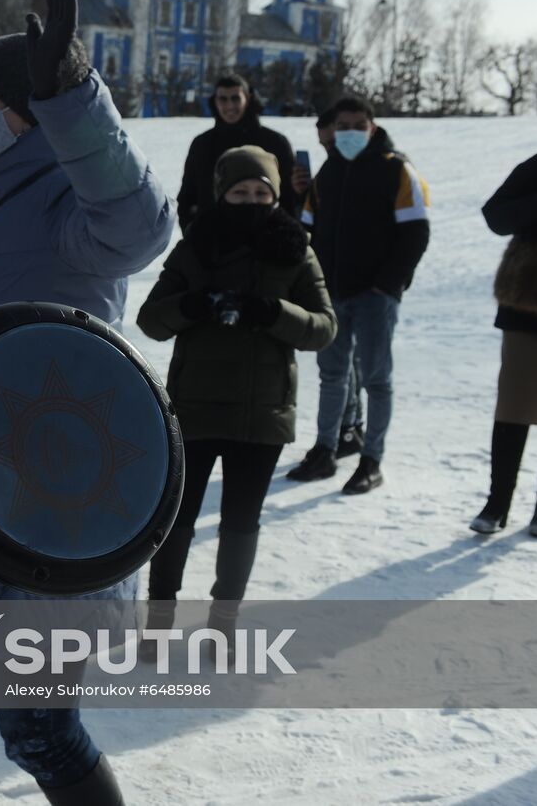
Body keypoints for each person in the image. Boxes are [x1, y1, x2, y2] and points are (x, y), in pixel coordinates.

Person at [0, 0, 174, 806]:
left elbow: (140, 227)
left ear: (14, 112)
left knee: (35, 725)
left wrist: (74, 101)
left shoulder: (70, 200)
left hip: (47, 498)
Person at [136, 146, 336, 640]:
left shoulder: (296, 249)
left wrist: (274, 312)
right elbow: (150, 320)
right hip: (195, 408)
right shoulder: (196, 246)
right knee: (177, 520)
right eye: (240, 192)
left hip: (261, 413)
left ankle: (224, 622)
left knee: (241, 523)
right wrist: (195, 304)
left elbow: (324, 328)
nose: (251, 200)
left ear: (276, 195)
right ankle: (159, 622)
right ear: (222, 194)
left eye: (261, 192)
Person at [287, 96, 430, 493]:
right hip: (333, 294)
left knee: (376, 379)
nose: (348, 133)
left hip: (375, 296)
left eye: (357, 125)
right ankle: (325, 450)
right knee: (332, 375)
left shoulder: (395, 168)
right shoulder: (330, 172)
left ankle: (372, 459)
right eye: (342, 126)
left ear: (372, 125)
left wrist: (388, 284)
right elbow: (309, 228)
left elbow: (417, 232)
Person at [470, 153, 537, 536]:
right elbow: (496, 216)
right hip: (527, 303)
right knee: (514, 406)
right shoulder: (535, 166)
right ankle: (498, 503)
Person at [292, 109, 365, 454]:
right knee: (343, 363)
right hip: (331, 279)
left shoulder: (353, 169)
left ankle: (344, 434)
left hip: (355, 284)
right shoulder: (326, 174)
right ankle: (349, 428)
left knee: (342, 365)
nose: (327, 137)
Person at [178, 74, 297, 231]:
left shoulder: (275, 142)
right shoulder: (202, 144)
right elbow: (188, 196)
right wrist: (194, 233)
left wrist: (282, 236)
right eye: (223, 99)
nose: (229, 106)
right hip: (213, 243)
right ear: (215, 101)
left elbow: (290, 197)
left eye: (235, 98)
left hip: (265, 241)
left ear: (247, 99)